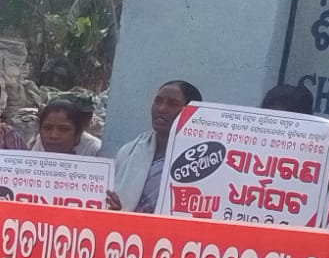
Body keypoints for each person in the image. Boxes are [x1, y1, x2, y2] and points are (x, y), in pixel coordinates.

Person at [110, 80, 202, 213]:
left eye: (173, 104)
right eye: (158, 101)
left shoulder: (200, 160)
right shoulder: (129, 151)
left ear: (191, 112)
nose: (161, 109)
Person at [261, 83, 329, 193]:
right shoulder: (246, 150)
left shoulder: (317, 159)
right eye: (271, 122)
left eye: (287, 125)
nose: (277, 132)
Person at [31, 97, 101, 156]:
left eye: (64, 129)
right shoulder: (40, 141)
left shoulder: (95, 149)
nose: (53, 136)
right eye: (47, 128)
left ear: (78, 133)